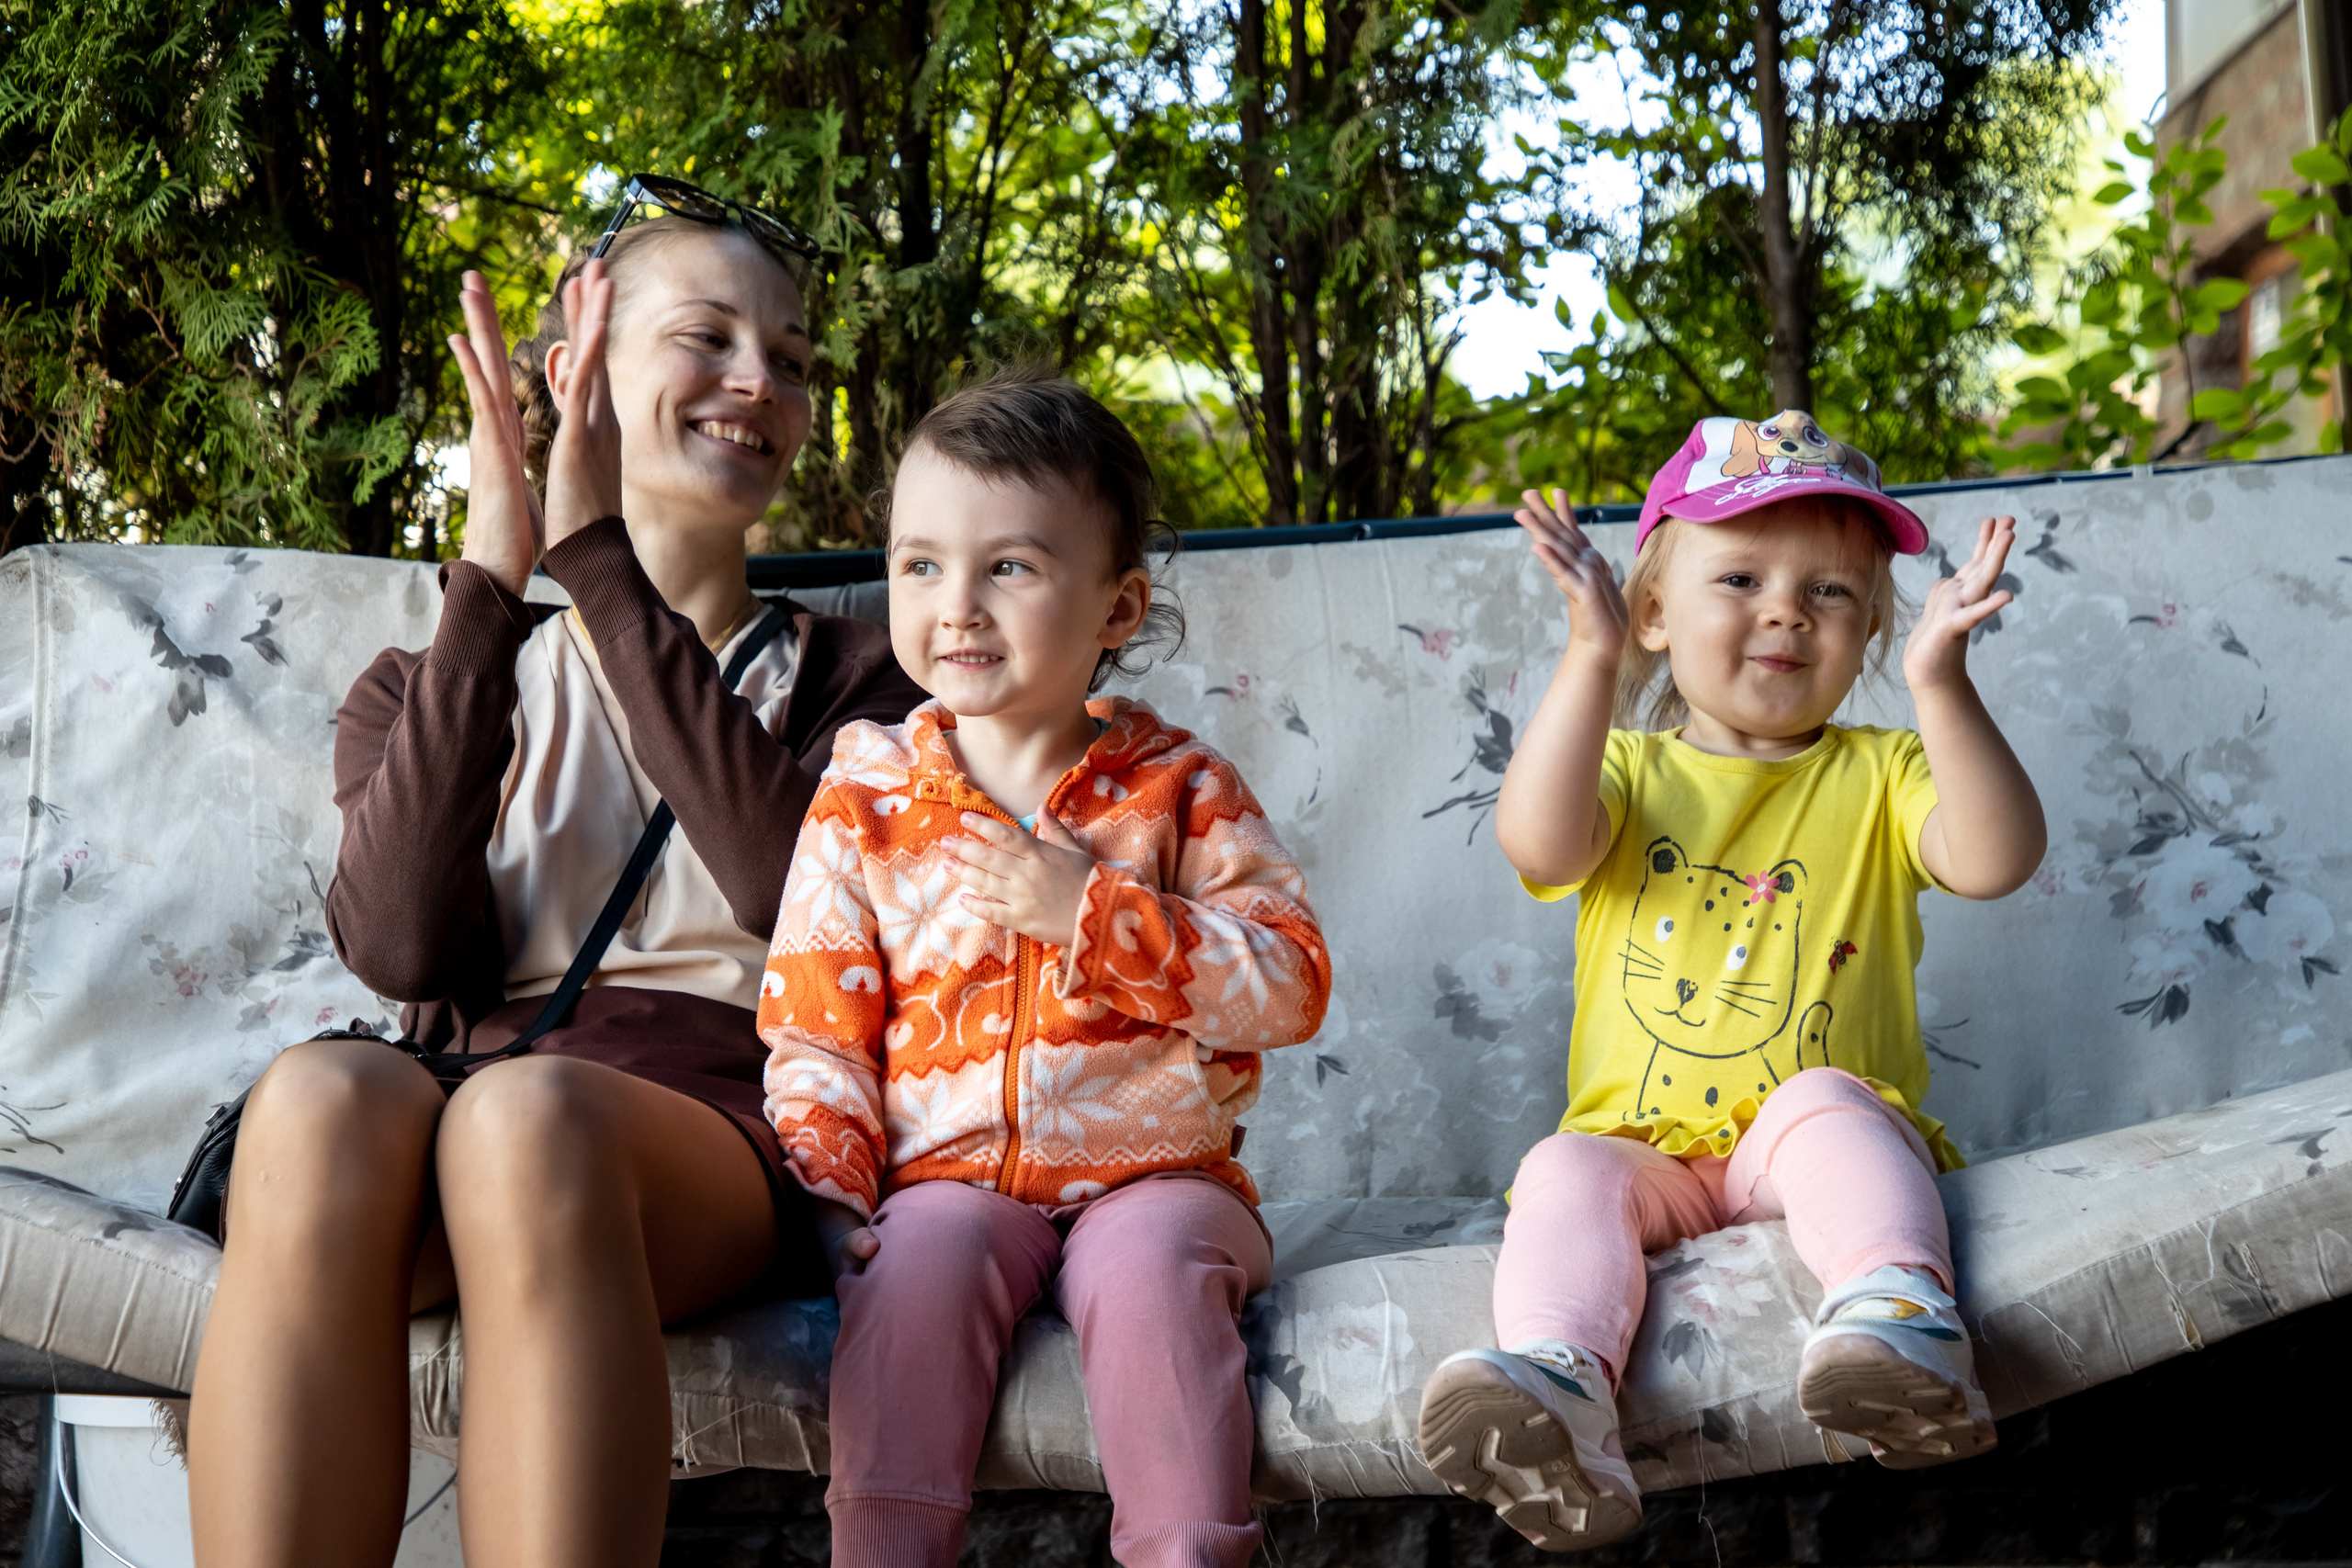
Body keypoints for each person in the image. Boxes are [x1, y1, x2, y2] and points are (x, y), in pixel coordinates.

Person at [186, 184, 926, 1568]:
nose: (762, 381)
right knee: (322, 1089)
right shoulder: (432, 679)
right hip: (452, 1112)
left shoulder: (861, 680)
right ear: (576, 375)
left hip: (700, 1136)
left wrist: (595, 562)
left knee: (528, 1125)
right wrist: (493, 571)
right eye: (708, 337)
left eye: (795, 357)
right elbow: (402, 948)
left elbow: (787, 885)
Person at [1416, 412, 2047, 1552]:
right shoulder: (1624, 768)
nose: (1785, 612)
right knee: (1562, 1168)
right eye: (1742, 576)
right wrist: (1587, 657)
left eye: (1833, 595)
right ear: (1654, 611)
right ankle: (1560, 1383)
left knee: (1822, 1106)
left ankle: (1899, 1317)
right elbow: (1540, 845)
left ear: (1866, 637)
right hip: (1645, 1151)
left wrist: (1939, 684)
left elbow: (1996, 860)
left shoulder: (1885, 769)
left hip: (1801, 1147)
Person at [756, 367, 1331, 1568]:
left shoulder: (1180, 785)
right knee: (912, 1270)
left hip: (1159, 1171)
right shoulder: (871, 790)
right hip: (947, 1180)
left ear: (1117, 607)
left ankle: (1188, 1549)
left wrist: (1099, 914)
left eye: (1008, 566)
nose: (957, 604)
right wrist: (826, 1189)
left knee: (1156, 1267)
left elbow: (1289, 978)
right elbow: (818, 1021)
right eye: (921, 563)